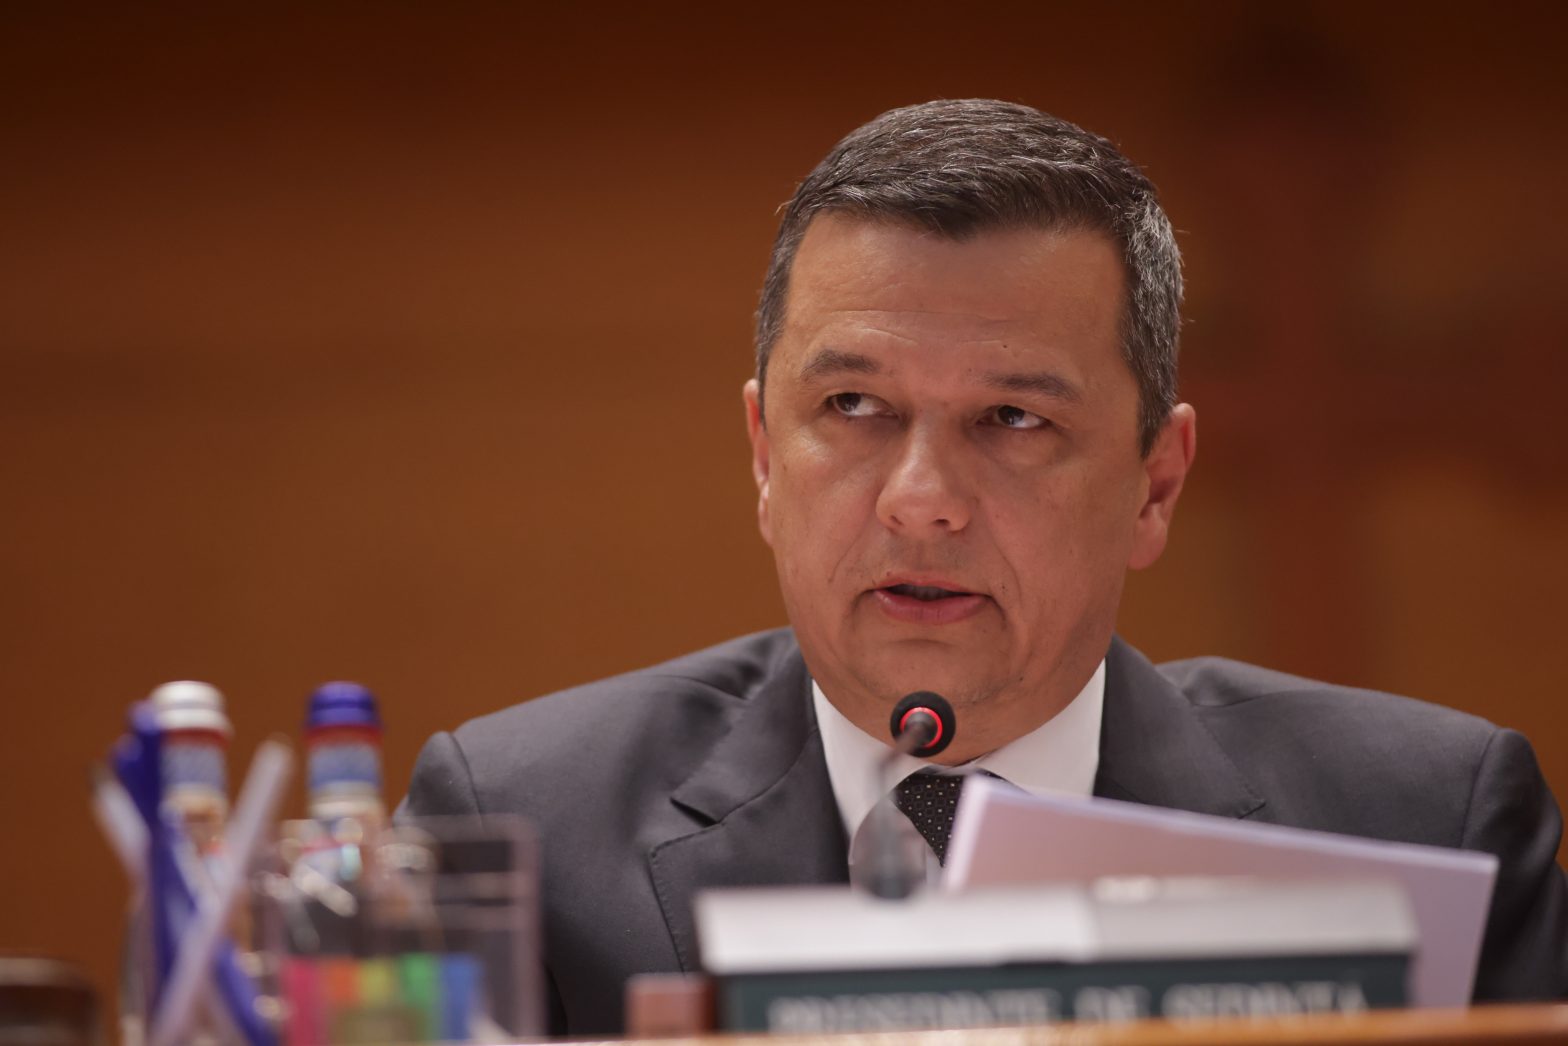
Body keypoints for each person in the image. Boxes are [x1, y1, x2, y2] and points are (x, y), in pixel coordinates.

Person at [403, 99, 1567, 1034]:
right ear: (763, 454)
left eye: (1012, 418)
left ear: (1154, 483)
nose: (920, 498)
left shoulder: (1424, 821)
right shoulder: (519, 829)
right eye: (851, 406)